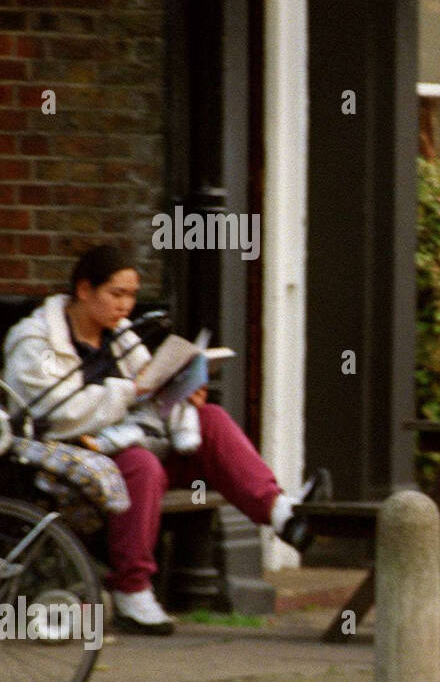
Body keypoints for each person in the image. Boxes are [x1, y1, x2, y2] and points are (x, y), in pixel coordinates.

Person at [2, 245, 326, 636]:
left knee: (211, 418)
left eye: (132, 295)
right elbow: (55, 413)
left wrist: (180, 390)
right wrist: (131, 392)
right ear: (84, 290)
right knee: (141, 465)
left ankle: (281, 513)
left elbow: (149, 388)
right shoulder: (36, 340)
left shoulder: (121, 336)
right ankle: (132, 590)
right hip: (69, 459)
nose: (127, 305)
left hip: (133, 441)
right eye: (116, 294)